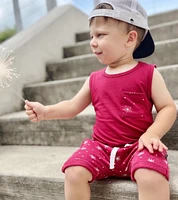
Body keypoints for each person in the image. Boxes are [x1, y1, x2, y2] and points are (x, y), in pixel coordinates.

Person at [25, 0, 177, 199]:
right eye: (91, 36)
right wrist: (46, 112)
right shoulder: (94, 79)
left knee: (152, 177)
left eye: (101, 35)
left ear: (130, 38)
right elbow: (72, 106)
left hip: (139, 146)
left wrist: (153, 133)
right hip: (101, 148)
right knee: (73, 172)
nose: (92, 42)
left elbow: (168, 107)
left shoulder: (148, 74)